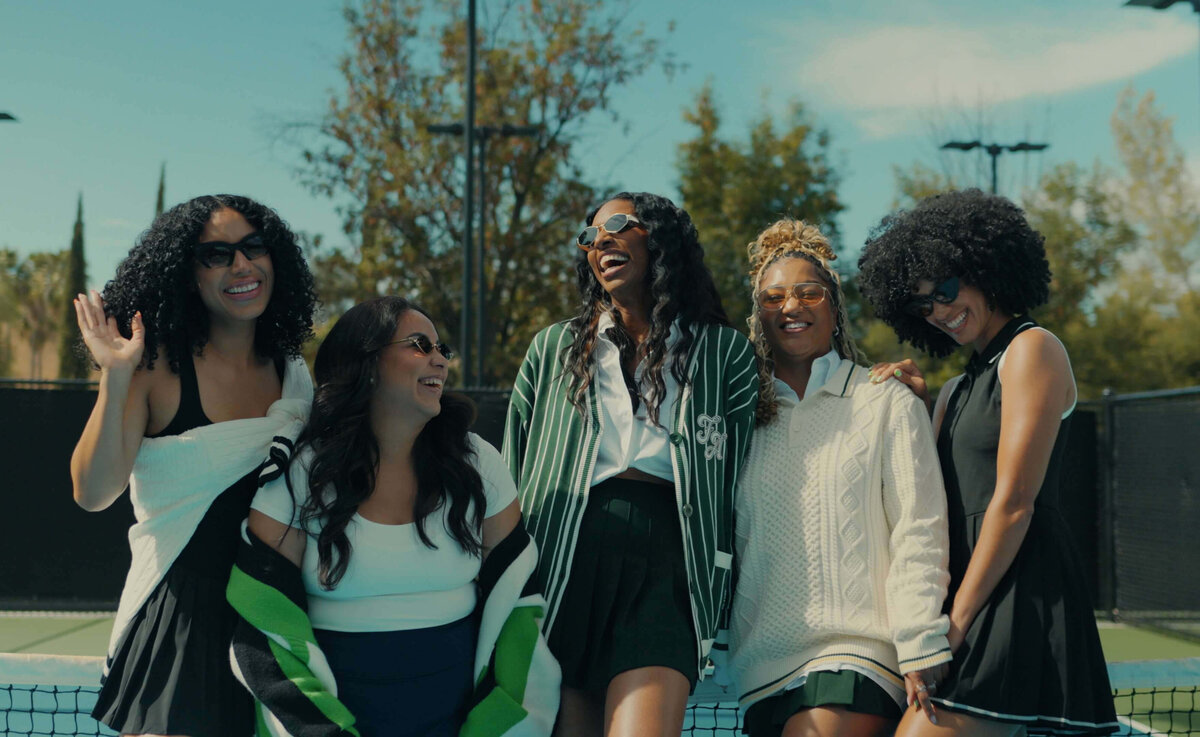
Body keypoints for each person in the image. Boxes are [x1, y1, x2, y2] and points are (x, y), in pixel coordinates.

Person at [233, 296, 559, 737]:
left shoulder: (478, 462)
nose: (440, 360)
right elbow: (263, 622)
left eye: (443, 349)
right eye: (420, 345)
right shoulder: (301, 471)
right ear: (366, 362)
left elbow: (519, 608)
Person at [857, 189, 1119, 737]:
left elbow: (1014, 503)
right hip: (968, 589)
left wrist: (953, 628)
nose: (939, 311)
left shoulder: (1032, 349)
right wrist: (918, 407)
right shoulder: (955, 389)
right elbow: (935, 497)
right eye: (923, 305)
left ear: (984, 270)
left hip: (1018, 588)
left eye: (946, 290)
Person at [503, 192, 758, 737]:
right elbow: (511, 470)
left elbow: (748, 470)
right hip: (564, 560)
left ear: (660, 238)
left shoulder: (726, 352)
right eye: (590, 236)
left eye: (619, 224)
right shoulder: (553, 349)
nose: (601, 241)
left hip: (672, 560)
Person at [70, 194, 317, 736]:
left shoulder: (294, 373)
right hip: (181, 621)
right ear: (187, 274)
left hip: (271, 619)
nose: (242, 265)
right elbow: (92, 492)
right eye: (217, 254)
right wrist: (115, 376)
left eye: (254, 247)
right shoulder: (152, 369)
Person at [728, 218, 952, 737]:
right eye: (773, 297)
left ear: (834, 307)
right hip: (759, 671)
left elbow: (919, 527)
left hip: (860, 654)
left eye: (808, 293)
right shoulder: (736, 416)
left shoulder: (886, 400)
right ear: (759, 315)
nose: (791, 306)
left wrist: (919, 639)